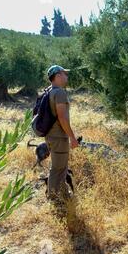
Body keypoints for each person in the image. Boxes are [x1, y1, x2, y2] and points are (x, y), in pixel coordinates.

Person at [45, 65, 79, 200]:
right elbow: (62, 118)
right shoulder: (59, 93)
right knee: (58, 169)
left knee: (61, 167)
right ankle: (54, 199)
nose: (67, 77)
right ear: (58, 76)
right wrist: (72, 138)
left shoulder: (49, 91)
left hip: (51, 136)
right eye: (65, 74)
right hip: (59, 137)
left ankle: (64, 195)